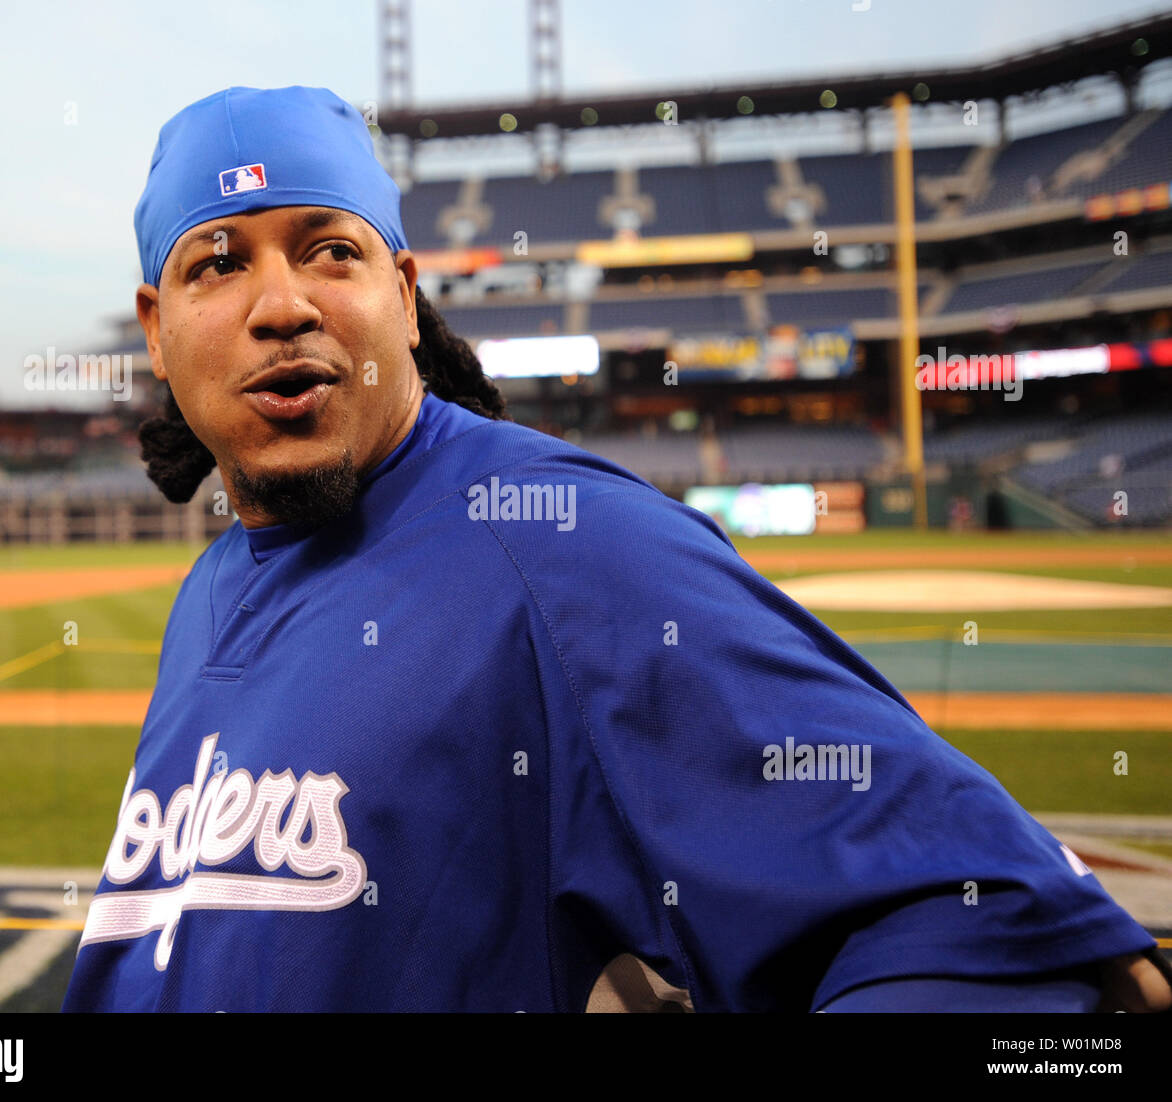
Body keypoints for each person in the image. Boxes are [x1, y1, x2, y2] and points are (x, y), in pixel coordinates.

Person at [62, 86, 1171, 1013]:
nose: (282, 304)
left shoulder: (555, 539)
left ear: (402, 297)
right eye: (219, 263)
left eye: (330, 252)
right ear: (156, 329)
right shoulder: (210, 591)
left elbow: (981, 916)